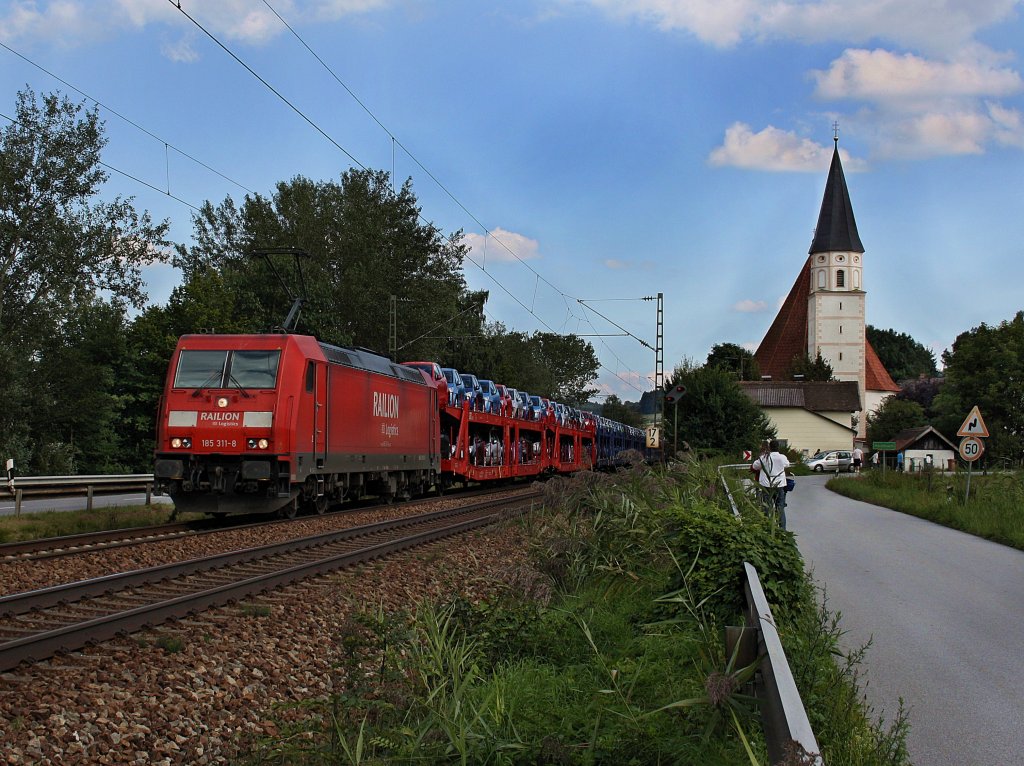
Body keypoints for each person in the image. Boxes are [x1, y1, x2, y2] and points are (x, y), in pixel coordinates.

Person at [750, 439, 791, 528]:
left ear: (769, 447)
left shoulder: (765, 457)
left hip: (766, 486)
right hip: (779, 486)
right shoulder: (782, 457)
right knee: (780, 508)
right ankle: (782, 530)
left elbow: (754, 466)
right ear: (778, 447)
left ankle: (767, 528)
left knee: (766, 508)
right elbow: (787, 464)